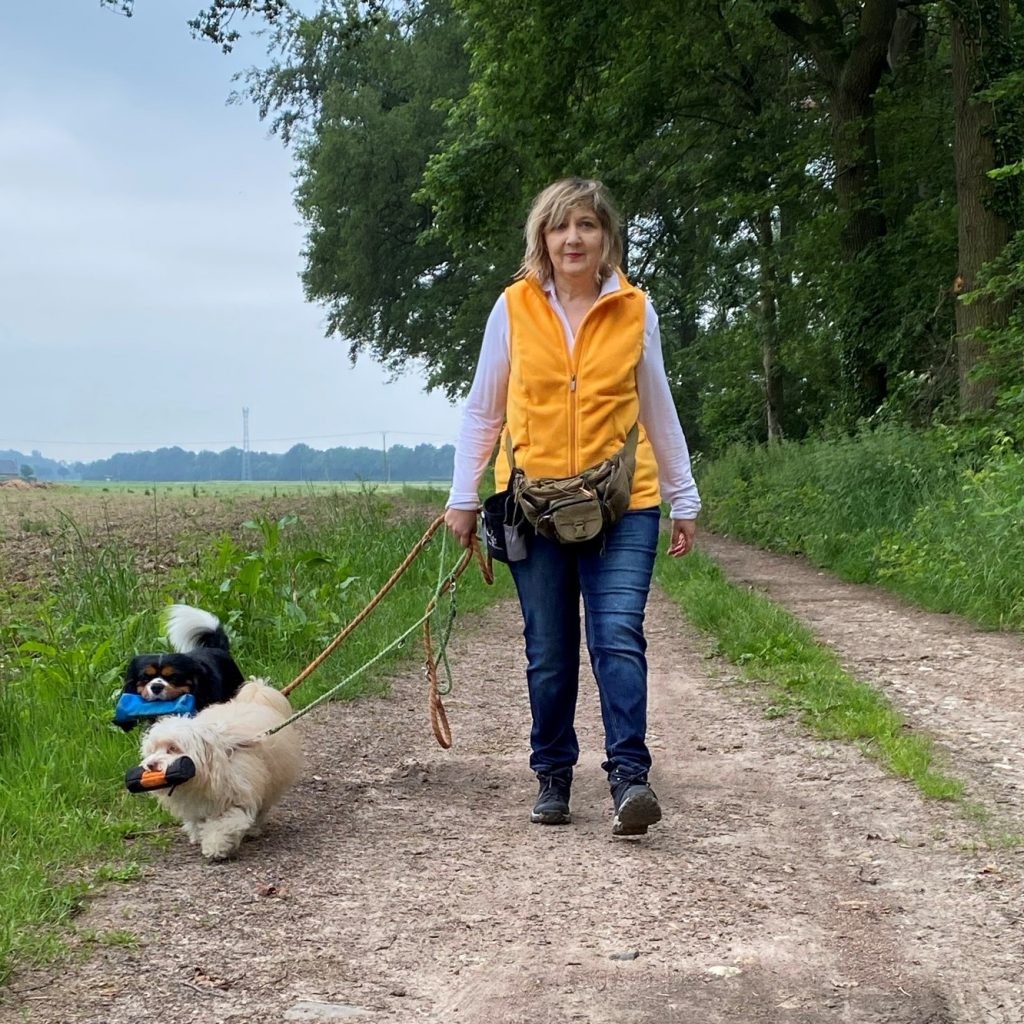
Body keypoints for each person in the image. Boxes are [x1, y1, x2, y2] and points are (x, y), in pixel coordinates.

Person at [444, 177, 700, 837]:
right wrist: (463, 496)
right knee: (550, 650)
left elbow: (658, 406)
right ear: (543, 239)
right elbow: (484, 409)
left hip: (625, 502)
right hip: (533, 505)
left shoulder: (636, 309)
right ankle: (553, 776)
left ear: (606, 236)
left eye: (586, 224)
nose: (573, 238)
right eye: (560, 227)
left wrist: (683, 495)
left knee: (617, 636)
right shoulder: (513, 308)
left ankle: (629, 780)